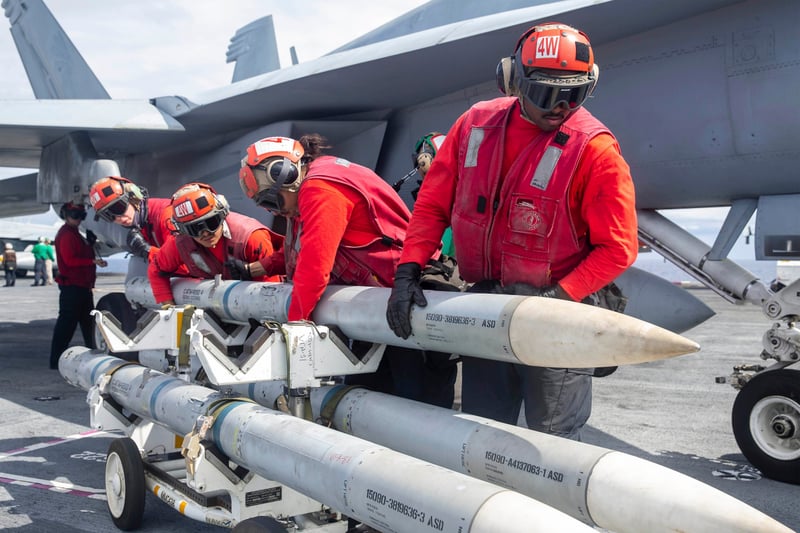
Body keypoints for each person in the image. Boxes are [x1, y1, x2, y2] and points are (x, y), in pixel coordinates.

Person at [386, 22, 638, 440]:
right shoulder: (475, 125)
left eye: (573, 96)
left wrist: (555, 300)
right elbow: (432, 205)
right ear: (513, 80)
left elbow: (618, 248)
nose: (560, 109)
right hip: (489, 306)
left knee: (554, 439)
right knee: (484, 428)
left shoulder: (595, 150)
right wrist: (407, 271)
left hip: (559, 313)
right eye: (545, 95)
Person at [239, 134, 456, 408]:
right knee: (369, 403)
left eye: (272, 202)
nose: (275, 212)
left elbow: (315, 265)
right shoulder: (312, 186)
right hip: (379, 306)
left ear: (286, 174)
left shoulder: (319, 189)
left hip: (406, 301)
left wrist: (294, 329)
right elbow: (300, 249)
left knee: (417, 407)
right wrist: (257, 268)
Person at [148, 182, 284, 305]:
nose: (206, 233)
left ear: (222, 214)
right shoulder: (180, 244)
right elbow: (156, 270)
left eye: (211, 222)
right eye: (195, 229)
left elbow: (271, 294)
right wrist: (169, 308)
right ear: (184, 231)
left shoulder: (251, 238)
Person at [50, 202, 108, 369]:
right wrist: (92, 261)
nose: (78, 220)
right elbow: (69, 261)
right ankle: (56, 359)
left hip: (82, 286)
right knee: (67, 324)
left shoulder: (75, 233)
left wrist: (90, 245)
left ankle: (94, 356)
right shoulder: (67, 235)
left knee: (88, 323)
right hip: (73, 286)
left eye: (80, 216)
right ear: (66, 216)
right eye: (74, 216)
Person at [89, 175, 178, 282]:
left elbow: (184, 264)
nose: (118, 218)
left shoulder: (165, 216)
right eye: (108, 216)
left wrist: (147, 251)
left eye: (118, 207)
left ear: (133, 197)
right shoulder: (143, 224)